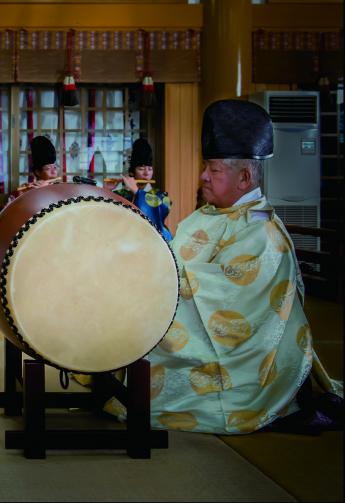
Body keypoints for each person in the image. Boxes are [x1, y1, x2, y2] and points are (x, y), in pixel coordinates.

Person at [146, 99, 341, 434]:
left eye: (215, 170)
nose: (203, 177)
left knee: (148, 329)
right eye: (205, 167)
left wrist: (161, 285)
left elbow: (228, 297)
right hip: (181, 301)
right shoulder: (208, 213)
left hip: (242, 352)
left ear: (245, 177)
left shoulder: (263, 230)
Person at [104, 138, 172, 241]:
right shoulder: (121, 194)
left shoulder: (159, 195)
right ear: (132, 172)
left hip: (151, 241)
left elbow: (166, 206)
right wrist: (107, 191)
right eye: (141, 169)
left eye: (150, 169)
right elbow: (107, 213)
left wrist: (137, 192)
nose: (146, 173)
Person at [1, 135, 61, 210]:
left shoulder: (61, 189)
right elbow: (4, 211)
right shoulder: (26, 190)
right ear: (38, 172)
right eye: (48, 168)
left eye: (55, 167)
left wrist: (45, 191)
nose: (54, 172)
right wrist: (23, 195)